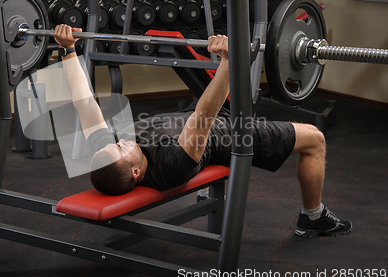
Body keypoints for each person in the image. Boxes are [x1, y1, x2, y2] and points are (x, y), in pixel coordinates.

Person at [53, 24, 352, 238]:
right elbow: (204, 116)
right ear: (135, 173)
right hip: (230, 131)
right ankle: (313, 217)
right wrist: (227, 60)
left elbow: (84, 103)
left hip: (195, 117)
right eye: (121, 148)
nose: (119, 141)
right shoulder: (171, 166)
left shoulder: (109, 155)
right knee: (315, 138)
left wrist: (67, 51)